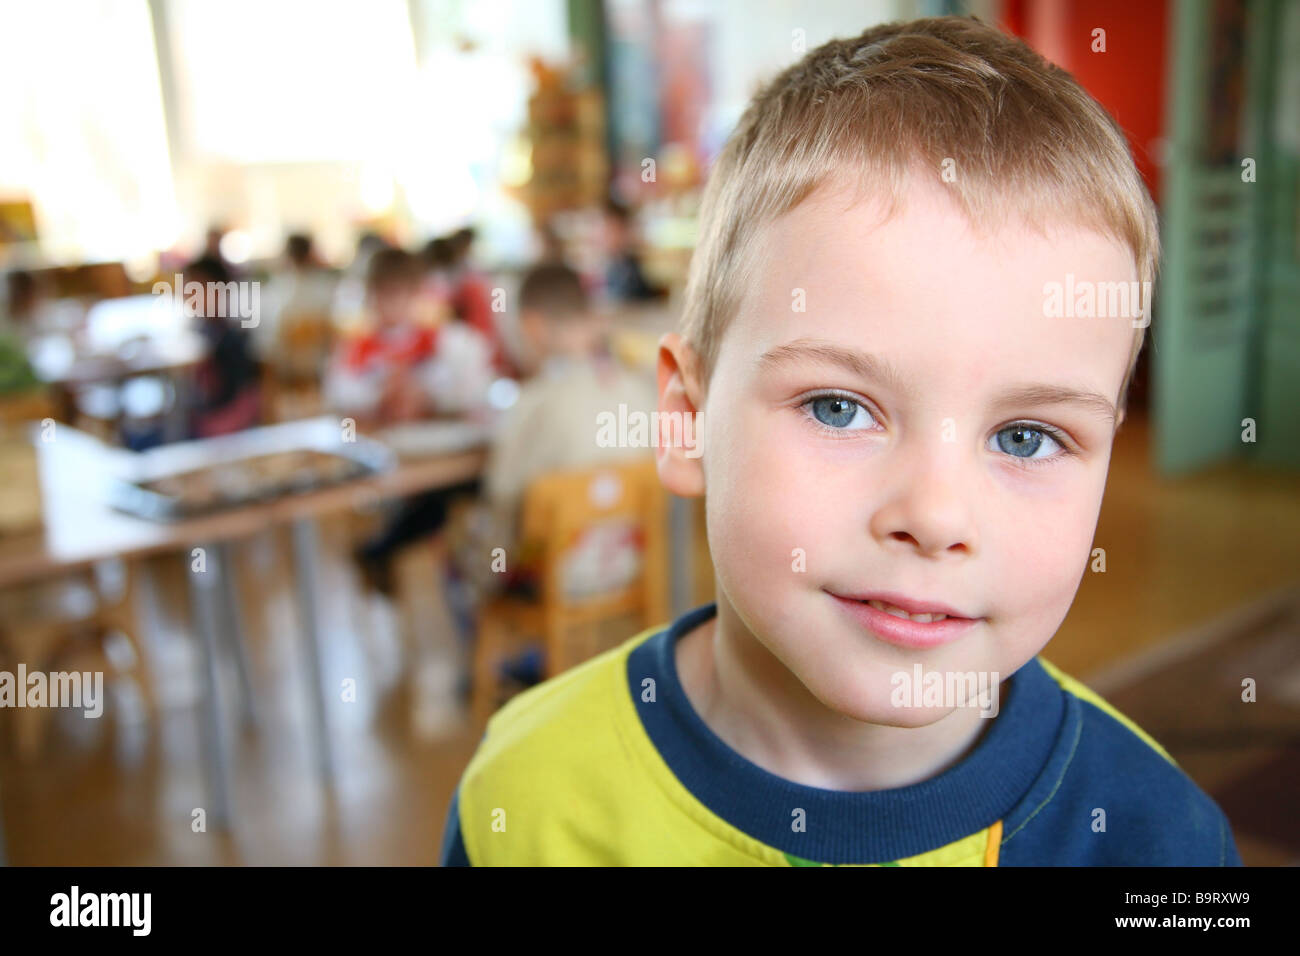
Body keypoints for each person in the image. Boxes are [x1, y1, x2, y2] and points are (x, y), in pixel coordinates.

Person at [440, 17, 1242, 866]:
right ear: (686, 421)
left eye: (1028, 436)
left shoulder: (1160, 844)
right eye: (837, 409)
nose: (935, 516)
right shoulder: (524, 802)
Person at [185, 255, 262, 438]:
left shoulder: (233, 337)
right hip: (203, 419)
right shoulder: (202, 331)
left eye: (197, 288)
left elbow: (247, 398)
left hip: (225, 427)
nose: (189, 296)